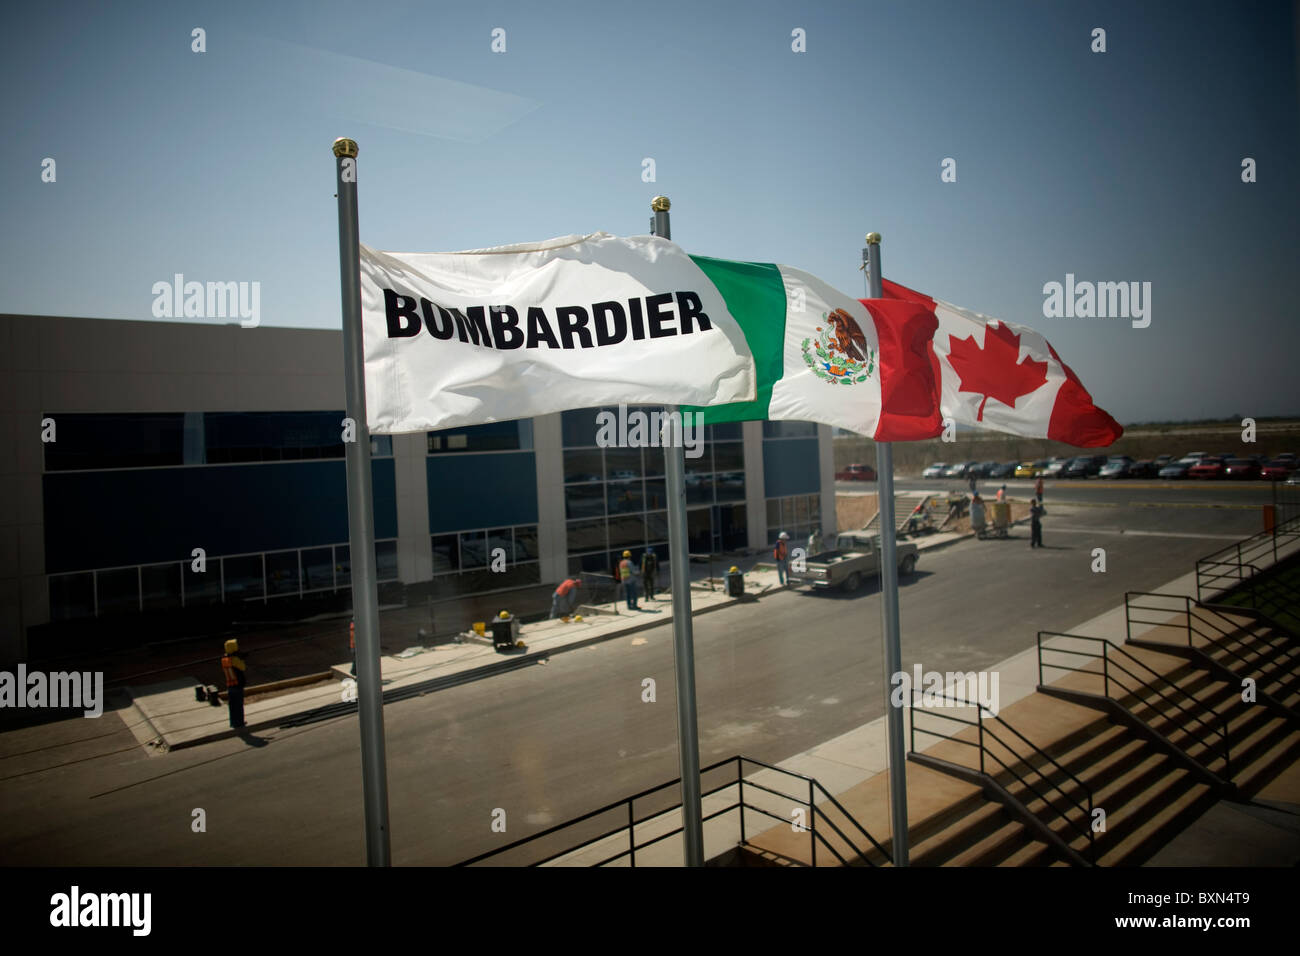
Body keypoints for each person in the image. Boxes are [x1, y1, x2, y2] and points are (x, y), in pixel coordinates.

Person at [220, 638, 248, 729]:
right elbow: (243, 667)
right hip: (237, 684)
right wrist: (241, 659)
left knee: (232, 706)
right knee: (239, 705)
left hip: (230, 685)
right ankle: (239, 722)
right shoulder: (234, 659)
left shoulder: (225, 658)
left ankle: (233, 722)